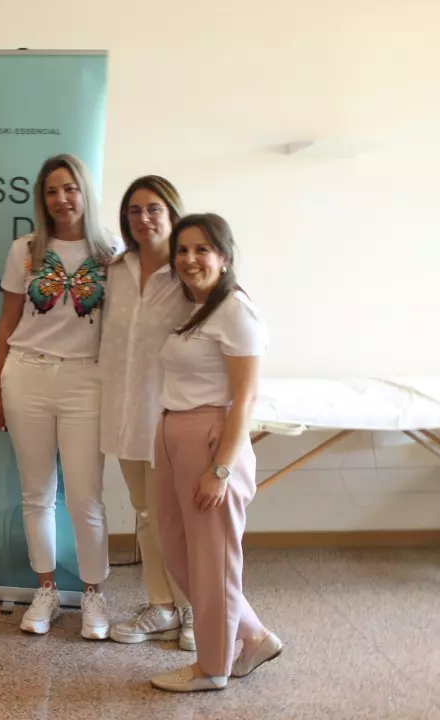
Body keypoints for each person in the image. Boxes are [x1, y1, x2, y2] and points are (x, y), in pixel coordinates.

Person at [0, 153, 122, 639]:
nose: (62, 199)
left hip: (87, 380)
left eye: (70, 188)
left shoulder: (111, 253)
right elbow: (7, 322)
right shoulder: (25, 250)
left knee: (85, 497)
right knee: (37, 493)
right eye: (51, 191)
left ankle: (93, 595)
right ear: (41, 200)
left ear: (85, 192)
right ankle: (45, 590)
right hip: (27, 375)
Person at [148, 213, 283, 692]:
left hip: (210, 438)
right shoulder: (194, 308)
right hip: (173, 432)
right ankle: (254, 636)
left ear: (224, 257)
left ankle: (212, 668)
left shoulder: (235, 311)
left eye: (202, 249)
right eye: (182, 250)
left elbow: (245, 398)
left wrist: (220, 469)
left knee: (213, 561)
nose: (190, 259)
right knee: (178, 552)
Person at [98, 176, 196, 650]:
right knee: (145, 511)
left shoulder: (188, 273)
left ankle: (194, 609)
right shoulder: (115, 270)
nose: (143, 218)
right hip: (123, 409)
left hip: (172, 413)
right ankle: (161, 606)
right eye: (134, 210)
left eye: (154, 209)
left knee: (176, 516)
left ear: (172, 214)